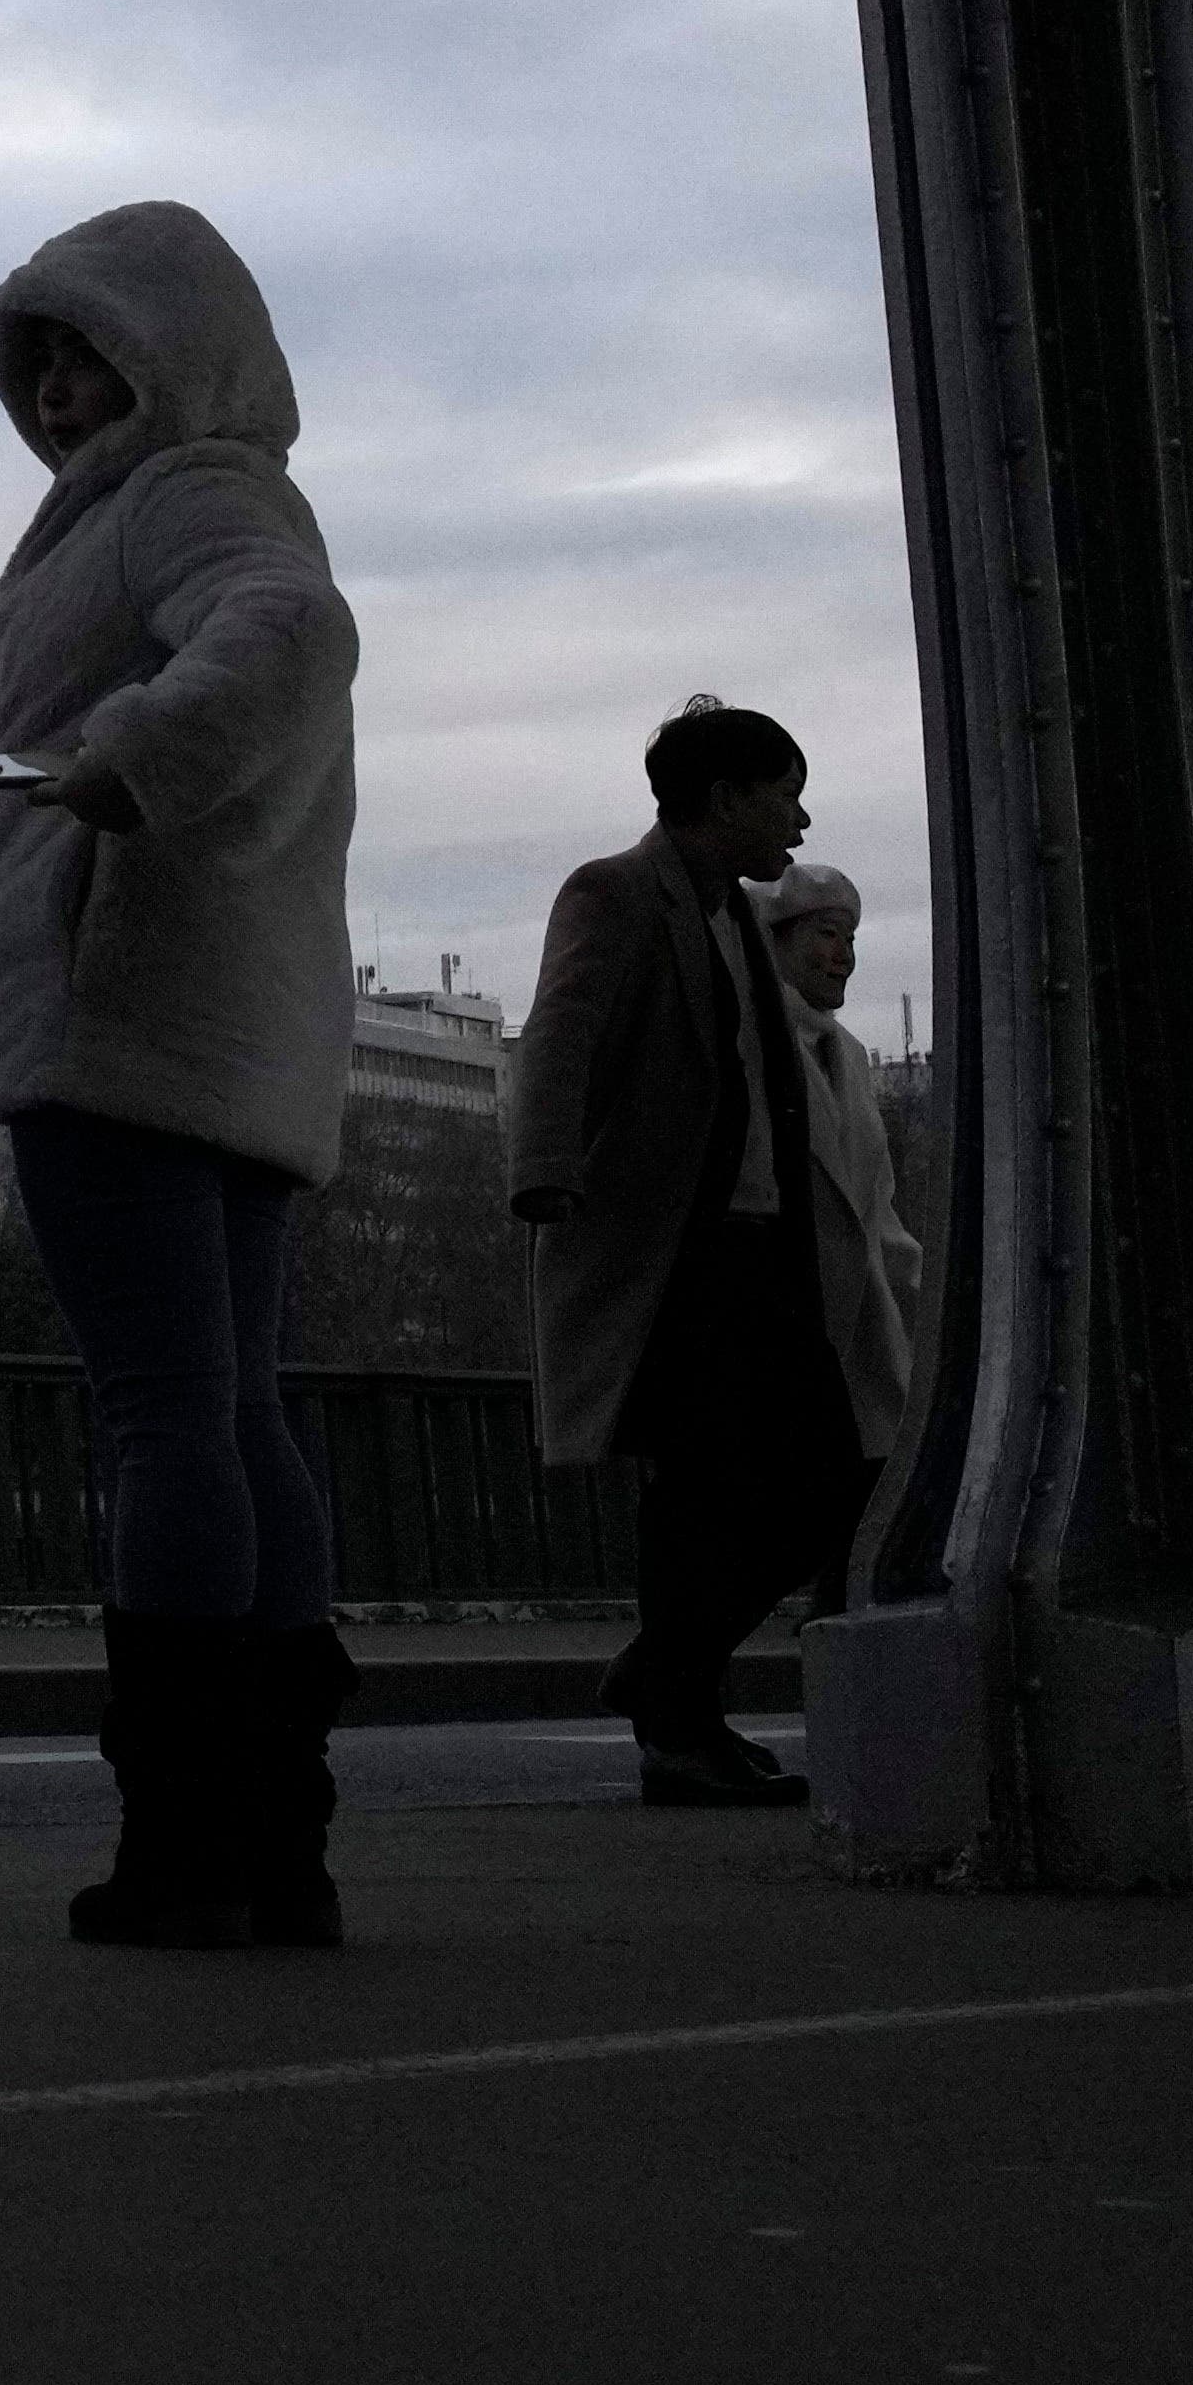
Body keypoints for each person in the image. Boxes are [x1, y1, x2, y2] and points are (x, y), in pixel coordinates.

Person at [0, 200, 362, 1953]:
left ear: (173, 348)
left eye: (86, 349)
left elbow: (286, 635)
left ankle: (189, 1836)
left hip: (128, 1009)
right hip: (222, 1016)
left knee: (163, 1416)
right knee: (231, 1408)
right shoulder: (156, 507)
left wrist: (130, 758)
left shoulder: (190, 494)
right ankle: (273, 1839)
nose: (54, 388)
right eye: (33, 357)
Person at [505, 700, 869, 1805]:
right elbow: (558, 1032)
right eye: (784, 793)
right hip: (679, 1250)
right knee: (708, 1487)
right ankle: (682, 1726)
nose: (800, 821)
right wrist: (544, 1170)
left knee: (830, 1479)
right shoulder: (618, 892)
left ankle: (669, 1680)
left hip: (762, 1249)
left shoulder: (727, 919)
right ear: (725, 800)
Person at [762, 863, 927, 1490]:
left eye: (851, 939)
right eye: (828, 935)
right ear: (776, 940)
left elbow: (878, 1215)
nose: (844, 957)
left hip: (863, 1356)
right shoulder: (749, 1048)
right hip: (786, 1356)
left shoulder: (852, 1057)